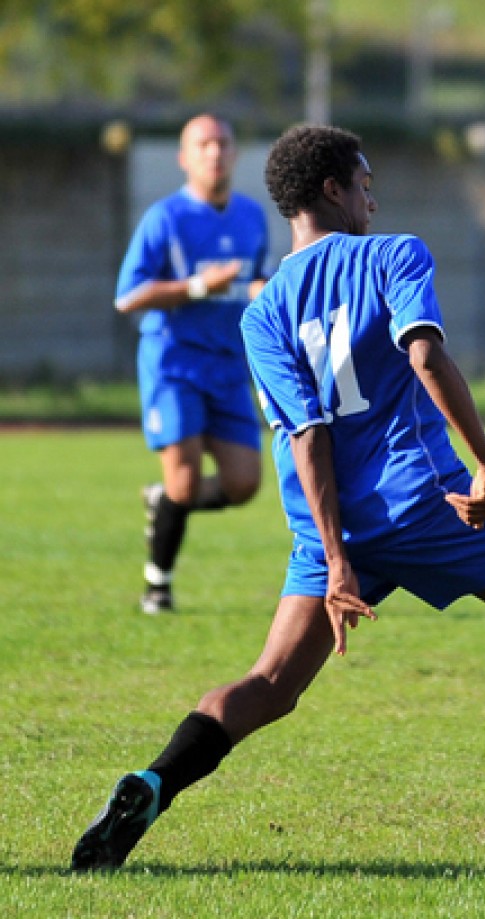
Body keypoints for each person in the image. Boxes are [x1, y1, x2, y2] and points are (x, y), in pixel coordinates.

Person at [72, 124, 485, 872]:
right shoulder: (395, 253)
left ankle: (153, 782)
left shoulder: (261, 313)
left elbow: (308, 435)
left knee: (268, 683)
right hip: (426, 502)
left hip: (332, 525)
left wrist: (334, 560)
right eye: (363, 180)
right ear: (332, 189)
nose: (373, 193)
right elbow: (423, 351)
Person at [115, 114, 270, 615]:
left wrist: (264, 292)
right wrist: (199, 287)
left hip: (228, 365)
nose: (214, 152)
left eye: (223, 143)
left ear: (235, 153)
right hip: (174, 362)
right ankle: (157, 586)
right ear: (184, 157)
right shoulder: (165, 218)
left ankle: (163, 502)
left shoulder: (252, 216)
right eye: (203, 144)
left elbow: (255, 280)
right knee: (184, 481)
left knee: (244, 484)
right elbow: (128, 297)